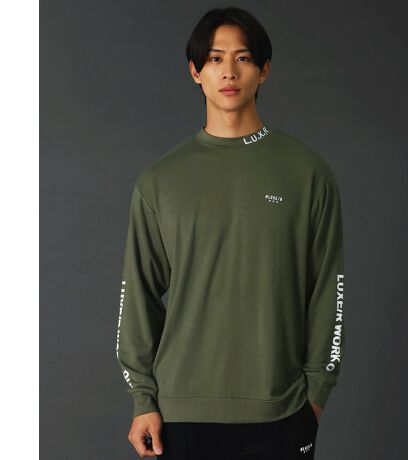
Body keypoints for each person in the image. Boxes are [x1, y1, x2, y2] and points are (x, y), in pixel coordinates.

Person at [115, 6, 345, 459]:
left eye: (243, 58)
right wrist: (143, 399)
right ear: (195, 71)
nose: (229, 72)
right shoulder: (160, 181)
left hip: (281, 410)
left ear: (264, 70)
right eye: (215, 59)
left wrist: (316, 393)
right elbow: (138, 293)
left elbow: (327, 290)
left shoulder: (308, 174)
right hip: (180, 413)